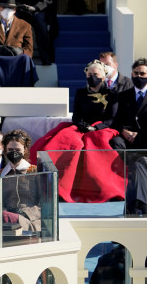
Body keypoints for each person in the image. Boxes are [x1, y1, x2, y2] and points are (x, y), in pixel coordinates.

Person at [30, 60, 122, 203]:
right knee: (65, 141)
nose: (92, 77)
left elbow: (112, 118)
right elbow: (76, 116)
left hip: (103, 128)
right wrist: (83, 126)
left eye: (95, 74)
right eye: (89, 74)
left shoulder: (112, 94)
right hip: (81, 128)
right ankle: (56, 186)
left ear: (103, 77)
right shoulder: (80, 92)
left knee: (96, 143)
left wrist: (96, 128)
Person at [0, 130, 41, 232]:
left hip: (32, 222)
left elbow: (44, 203)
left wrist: (26, 214)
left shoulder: (35, 172)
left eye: (17, 149)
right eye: (10, 149)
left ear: (25, 149)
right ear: (5, 150)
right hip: (6, 221)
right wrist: (6, 213)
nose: (14, 152)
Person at [110, 58, 147, 150]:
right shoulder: (122, 96)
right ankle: (125, 164)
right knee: (115, 142)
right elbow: (115, 119)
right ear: (131, 74)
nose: (138, 76)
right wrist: (123, 131)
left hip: (144, 137)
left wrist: (139, 135)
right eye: (136, 73)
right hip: (127, 137)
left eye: (142, 74)